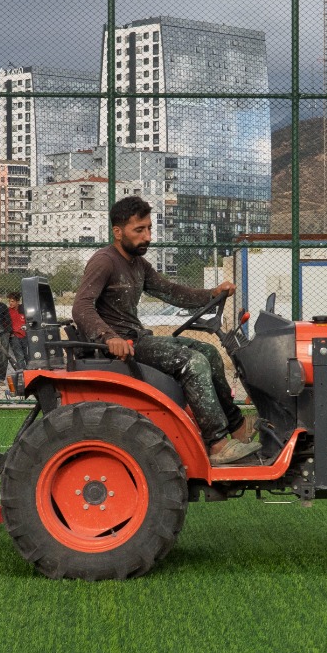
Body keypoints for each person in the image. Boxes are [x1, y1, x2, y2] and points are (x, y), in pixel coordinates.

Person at [69, 197, 259, 465]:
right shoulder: (104, 261)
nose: (147, 237)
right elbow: (81, 306)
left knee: (209, 352)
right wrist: (108, 337)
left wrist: (211, 294)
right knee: (193, 362)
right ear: (118, 232)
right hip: (123, 346)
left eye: (149, 229)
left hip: (137, 339)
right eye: (139, 230)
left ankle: (238, 429)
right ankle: (217, 444)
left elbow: (171, 292)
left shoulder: (138, 264)